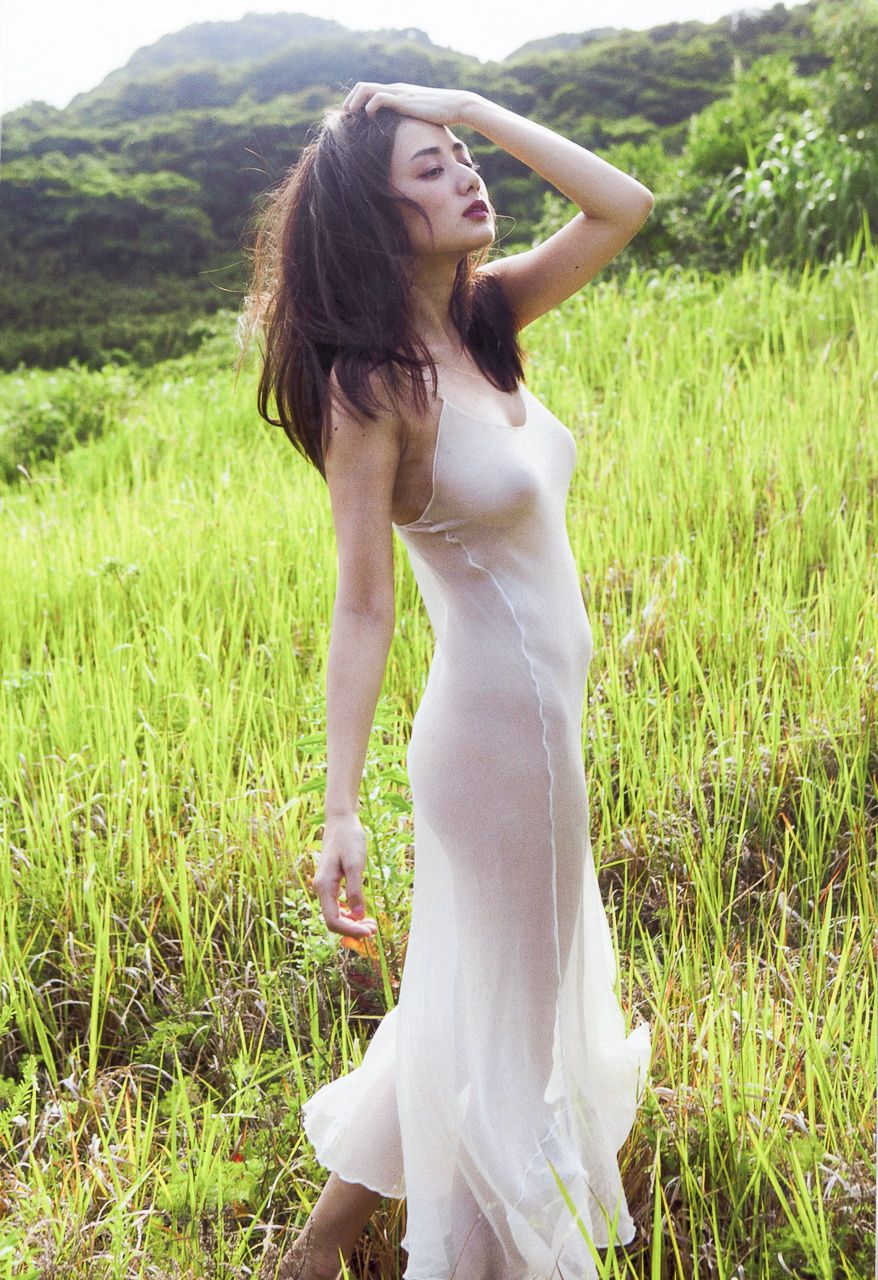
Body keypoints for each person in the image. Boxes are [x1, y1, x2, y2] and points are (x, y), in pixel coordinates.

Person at [241, 81, 654, 1280]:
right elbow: (362, 604)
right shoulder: (372, 389)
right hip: (494, 739)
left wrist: (468, 104)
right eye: (427, 169)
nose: (465, 175)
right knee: (509, 1027)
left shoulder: (487, 317)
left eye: (458, 156)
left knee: (470, 1001)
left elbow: (621, 205)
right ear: (374, 220)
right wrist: (338, 807)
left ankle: (318, 1247)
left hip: (542, 723)